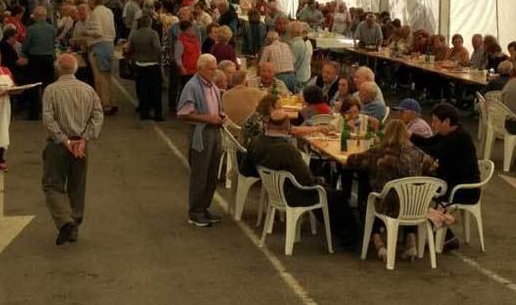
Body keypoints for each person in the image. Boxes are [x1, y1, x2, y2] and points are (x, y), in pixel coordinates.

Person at [239, 109, 359, 250]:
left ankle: (339, 231)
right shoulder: (288, 151)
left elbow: (245, 169)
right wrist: (320, 181)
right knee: (336, 196)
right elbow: (307, 181)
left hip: (275, 192)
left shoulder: (256, 142)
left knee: (327, 193)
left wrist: (265, 174)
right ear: (288, 127)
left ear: (268, 124)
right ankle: (352, 237)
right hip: (294, 194)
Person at [345, 120, 435, 260]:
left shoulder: (378, 152)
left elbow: (352, 161)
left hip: (387, 206)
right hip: (414, 206)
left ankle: (378, 242)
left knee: (368, 193)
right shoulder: (417, 153)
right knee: (410, 192)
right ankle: (410, 241)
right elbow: (432, 168)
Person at [42, 54, 104, 245]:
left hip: (59, 144)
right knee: (77, 186)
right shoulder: (88, 90)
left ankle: (64, 221)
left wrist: (64, 140)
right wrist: (85, 138)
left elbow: (49, 119)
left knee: (52, 184)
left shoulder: (51, 90)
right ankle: (75, 224)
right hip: (81, 144)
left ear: (58, 68)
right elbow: (97, 115)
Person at [411, 103, 481, 252]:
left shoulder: (459, 138)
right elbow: (428, 142)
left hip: (463, 189)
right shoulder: (447, 134)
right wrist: (410, 136)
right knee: (419, 189)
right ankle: (421, 232)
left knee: (419, 193)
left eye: (436, 121)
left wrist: (408, 146)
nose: (433, 125)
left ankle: (446, 237)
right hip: (450, 181)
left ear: (447, 122)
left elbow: (432, 151)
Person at [177, 54, 226, 227]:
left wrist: (220, 115)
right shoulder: (192, 87)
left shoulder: (211, 85)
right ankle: (195, 211)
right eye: (211, 69)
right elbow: (183, 113)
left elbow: (215, 108)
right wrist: (208, 118)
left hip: (214, 132)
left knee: (212, 173)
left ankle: (204, 207)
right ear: (200, 69)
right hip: (201, 134)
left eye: (215, 68)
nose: (214, 72)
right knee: (200, 174)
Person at [84, 0, 117, 115]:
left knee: (100, 78)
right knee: (108, 77)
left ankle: (105, 105)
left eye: (89, 0)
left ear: (93, 0)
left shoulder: (95, 13)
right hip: (109, 45)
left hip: (98, 46)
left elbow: (98, 31)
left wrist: (87, 32)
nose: (88, 3)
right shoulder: (108, 11)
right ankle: (112, 102)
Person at [23, 6, 58, 120]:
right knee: (48, 87)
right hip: (48, 59)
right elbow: (54, 44)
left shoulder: (30, 29)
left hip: (34, 60)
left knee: (33, 86)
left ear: (35, 16)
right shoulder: (52, 29)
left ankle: (34, 113)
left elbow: (26, 47)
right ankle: (49, 113)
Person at [126, 15, 163, 121]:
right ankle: (158, 114)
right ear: (150, 23)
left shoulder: (135, 34)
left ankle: (144, 113)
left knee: (143, 89)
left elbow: (130, 48)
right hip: (152, 64)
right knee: (156, 90)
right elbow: (157, 48)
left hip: (139, 64)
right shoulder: (153, 33)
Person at [174, 20, 202, 95]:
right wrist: (182, 68)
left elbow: (199, 51)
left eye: (191, 29)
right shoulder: (180, 42)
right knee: (185, 90)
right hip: (186, 70)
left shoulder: (195, 39)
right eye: (188, 30)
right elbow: (177, 57)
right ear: (183, 31)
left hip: (196, 69)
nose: (191, 31)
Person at [288, 21, 313, 92]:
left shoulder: (296, 44)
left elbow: (291, 62)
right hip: (306, 73)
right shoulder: (308, 42)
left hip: (298, 76)